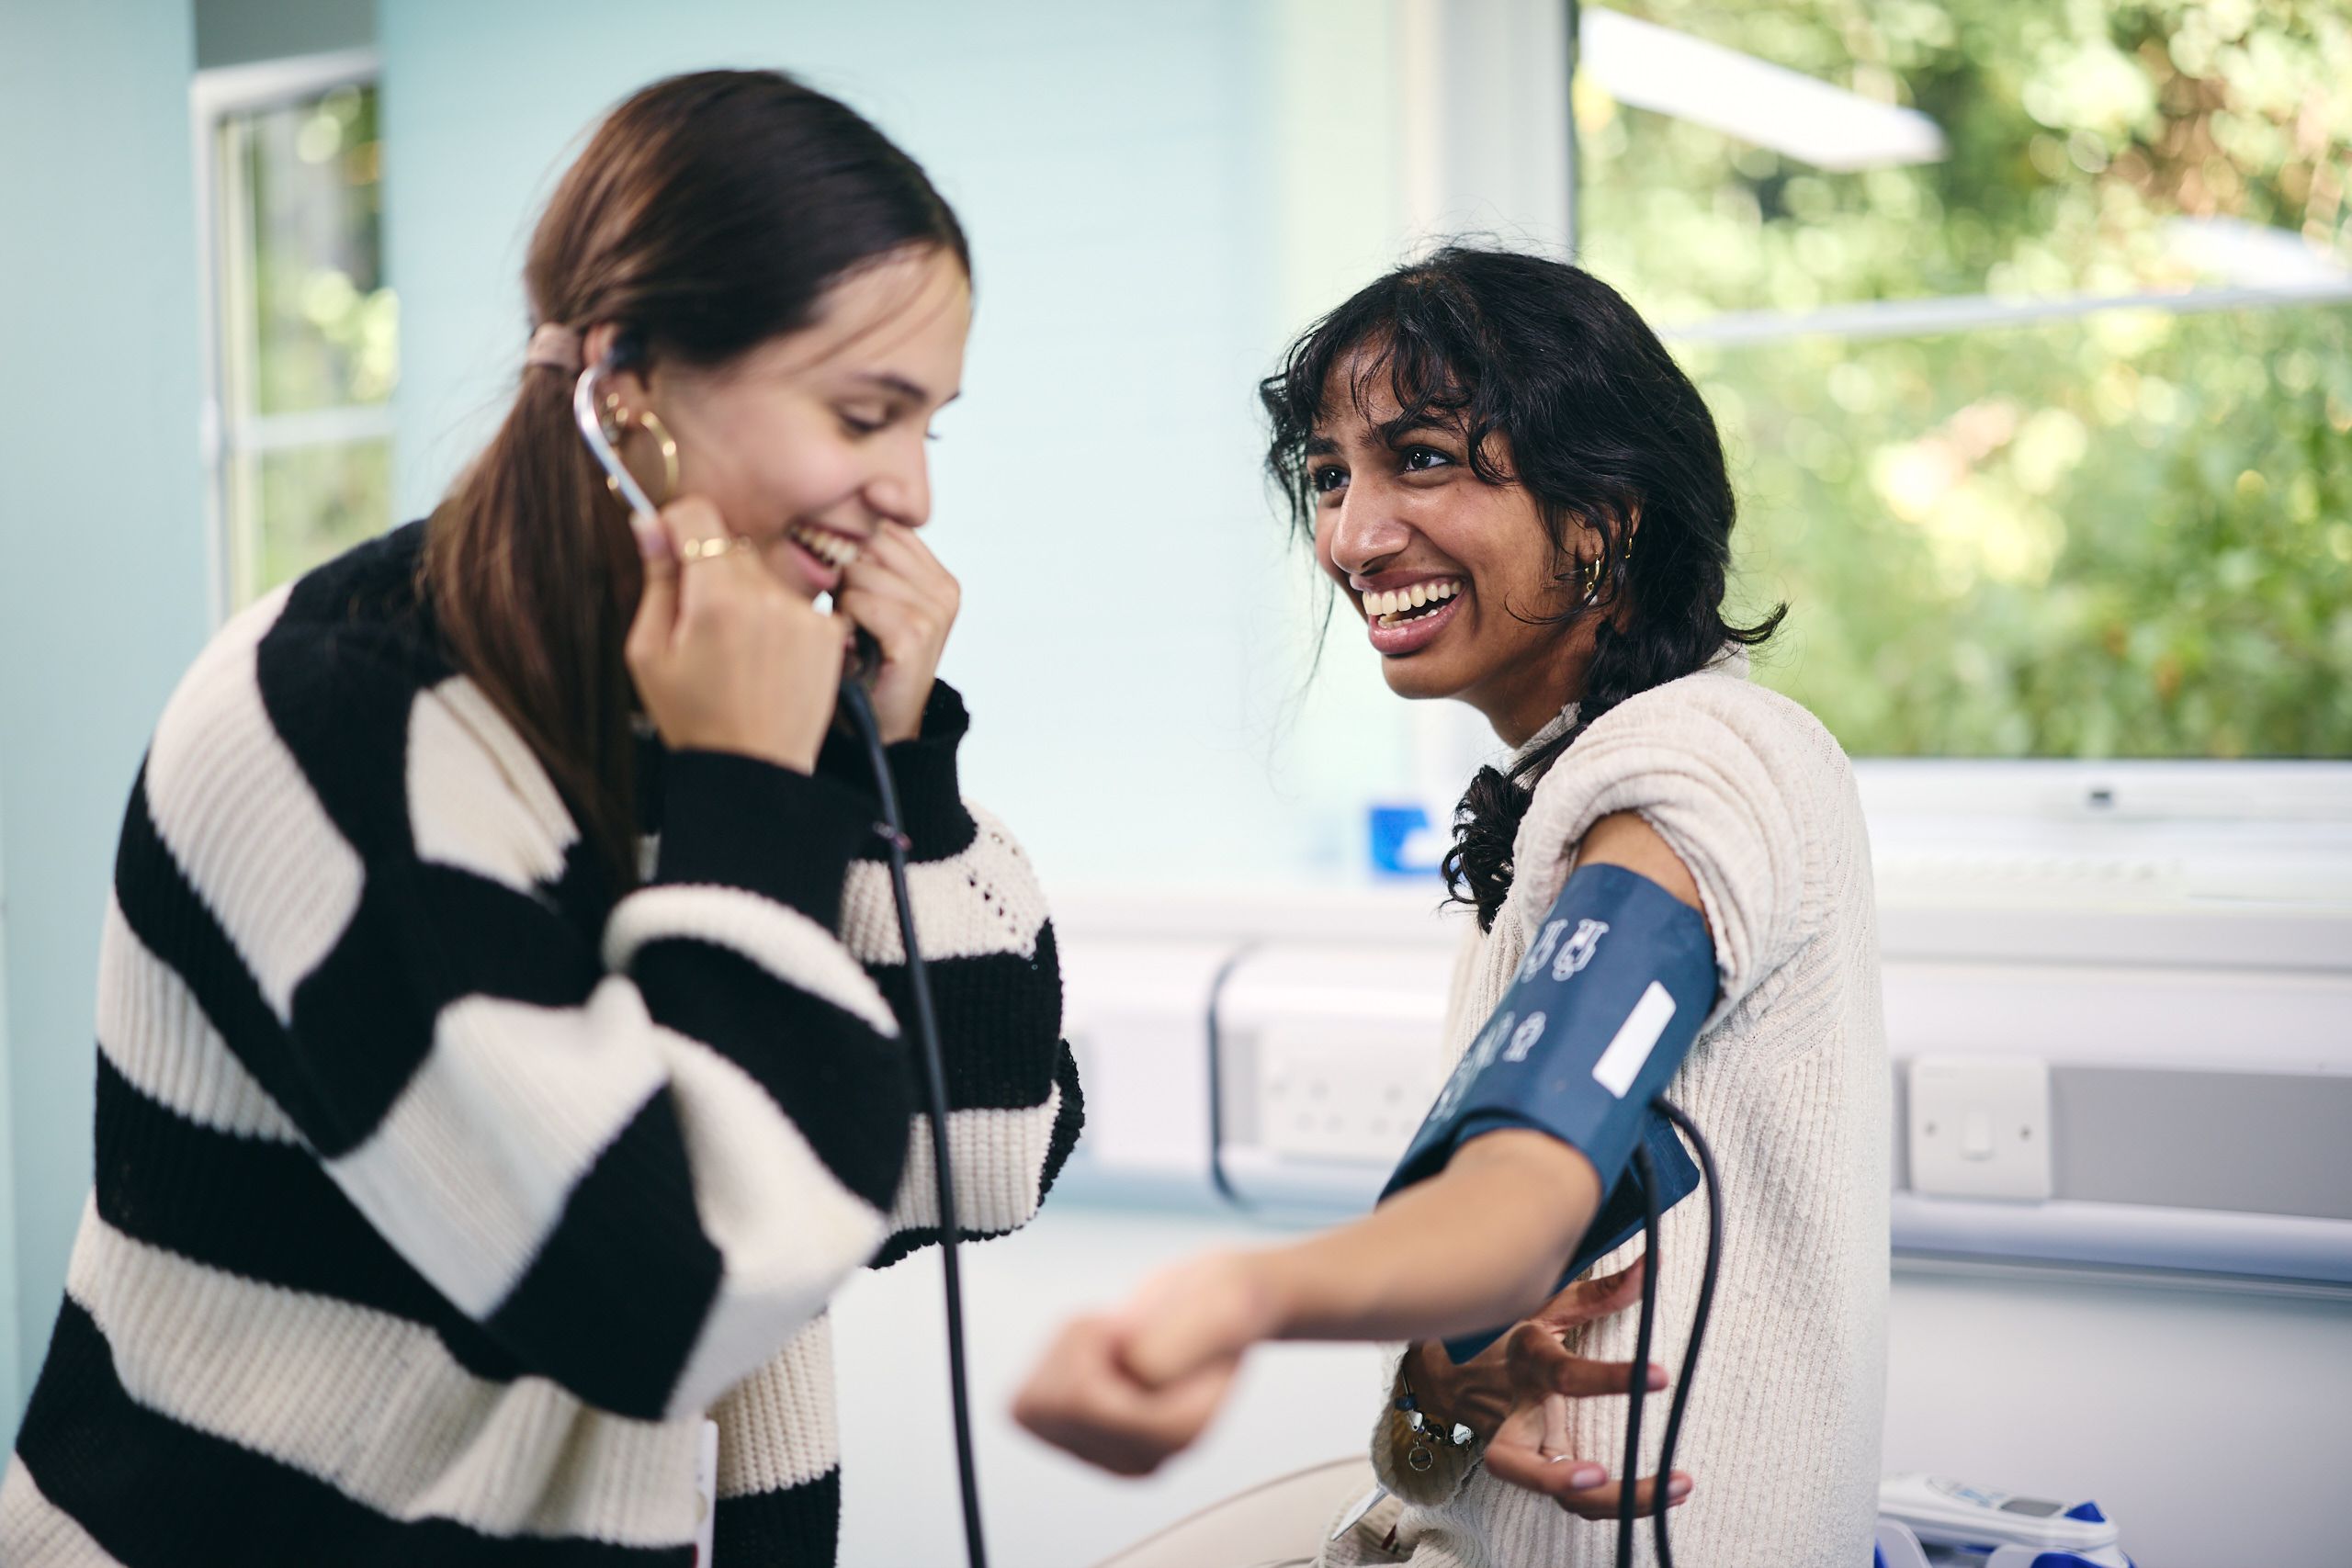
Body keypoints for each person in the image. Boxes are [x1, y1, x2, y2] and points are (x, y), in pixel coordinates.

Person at [3, 70, 1080, 1567]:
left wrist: (896, 761)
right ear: (627, 393)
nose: (909, 496)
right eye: (863, 413)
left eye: (930, 431)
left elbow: (980, 1155)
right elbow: (664, 1291)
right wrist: (761, 804)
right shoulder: (339, 716)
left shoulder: (722, 717)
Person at [1017, 247, 1887, 1567]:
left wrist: (1234, 1297)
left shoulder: (1709, 760)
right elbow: (1446, 1410)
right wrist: (1436, 1397)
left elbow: (1523, 1190)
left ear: (1610, 513)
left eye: (1419, 459)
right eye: (1328, 476)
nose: (1351, 538)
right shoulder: (1563, 799)